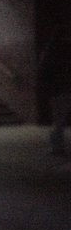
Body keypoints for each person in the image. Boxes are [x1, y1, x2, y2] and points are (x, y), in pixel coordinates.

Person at [38, 27, 71, 156]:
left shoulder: (49, 53)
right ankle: (57, 146)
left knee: (58, 120)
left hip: (56, 91)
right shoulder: (66, 52)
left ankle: (57, 146)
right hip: (64, 89)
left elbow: (43, 72)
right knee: (60, 120)